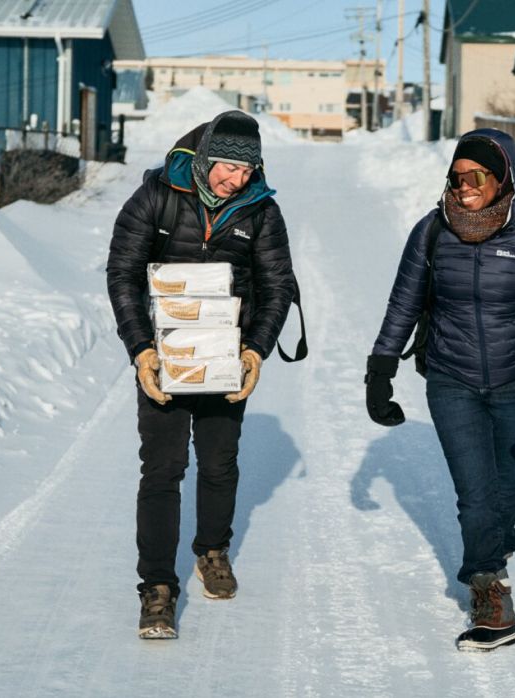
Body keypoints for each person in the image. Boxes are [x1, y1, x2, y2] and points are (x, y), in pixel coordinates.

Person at [365, 128, 515, 651]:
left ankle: (495, 542)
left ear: (501, 177)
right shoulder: (432, 232)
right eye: (456, 178)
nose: (463, 188)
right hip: (451, 378)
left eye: (474, 177)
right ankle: (490, 594)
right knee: (476, 494)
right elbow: (402, 304)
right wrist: (380, 369)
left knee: (505, 488)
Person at [107, 110, 295, 639]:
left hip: (225, 356)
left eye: (244, 171)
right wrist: (141, 350)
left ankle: (212, 551)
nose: (233, 180)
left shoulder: (261, 211)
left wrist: (255, 352)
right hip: (165, 358)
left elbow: (277, 285)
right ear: (207, 157)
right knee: (162, 468)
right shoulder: (157, 196)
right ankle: (157, 588)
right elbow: (121, 274)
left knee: (219, 462)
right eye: (226, 167)